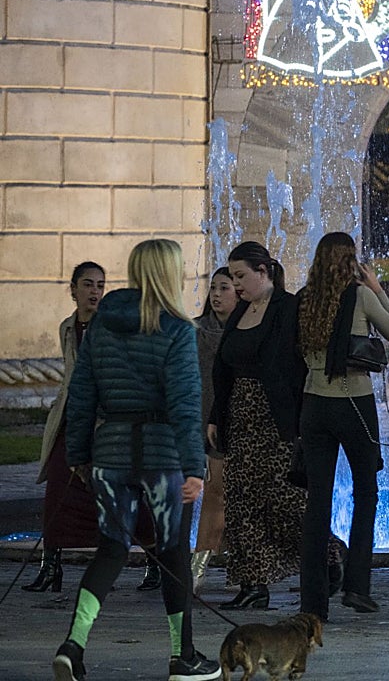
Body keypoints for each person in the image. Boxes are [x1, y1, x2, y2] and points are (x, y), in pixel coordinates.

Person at [52, 239, 221, 681]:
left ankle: (73, 645)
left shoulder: (102, 323)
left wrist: (78, 455)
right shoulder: (177, 329)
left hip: (110, 452)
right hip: (164, 456)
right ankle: (183, 657)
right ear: (169, 272)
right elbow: (185, 403)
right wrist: (194, 467)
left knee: (110, 550)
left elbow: (81, 393)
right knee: (172, 552)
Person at [297, 232, 389, 618]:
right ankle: (358, 587)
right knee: (366, 493)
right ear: (351, 261)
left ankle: (312, 602)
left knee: (317, 502)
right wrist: (378, 289)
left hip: (314, 405)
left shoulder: (305, 299)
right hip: (353, 403)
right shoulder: (360, 295)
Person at [208, 241, 306, 611]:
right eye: (232, 278)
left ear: (262, 272)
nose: (235, 285)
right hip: (240, 416)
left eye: (240, 276)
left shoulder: (287, 307)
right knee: (241, 501)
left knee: (285, 499)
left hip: (277, 418)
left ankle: (329, 554)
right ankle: (252, 584)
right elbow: (226, 369)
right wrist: (216, 416)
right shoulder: (240, 312)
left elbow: (297, 364)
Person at [26, 262, 106, 593]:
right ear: (73, 289)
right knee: (58, 487)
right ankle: (50, 566)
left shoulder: (109, 327)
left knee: (117, 493)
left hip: (102, 422)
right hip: (70, 418)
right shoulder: (67, 327)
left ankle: (152, 562)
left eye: (100, 285)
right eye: (87, 284)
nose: (94, 291)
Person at [189, 268, 235, 593]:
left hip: (236, 419)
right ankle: (198, 565)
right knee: (214, 491)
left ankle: (233, 563)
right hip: (201, 419)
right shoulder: (195, 331)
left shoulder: (246, 330)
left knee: (229, 493)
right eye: (214, 288)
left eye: (224, 288)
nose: (216, 295)